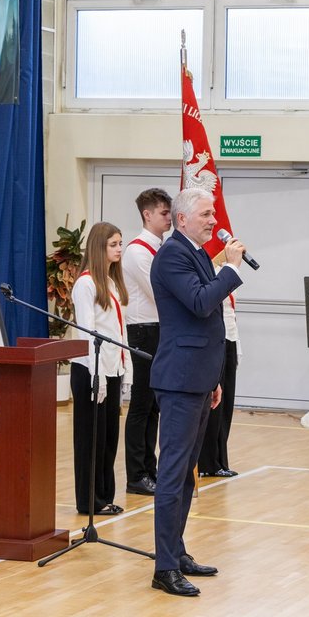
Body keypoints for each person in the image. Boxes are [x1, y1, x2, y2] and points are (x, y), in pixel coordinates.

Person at [148, 187, 245, 596]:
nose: (213, 220)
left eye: (213, 213)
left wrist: (214, 379)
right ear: (183, 219)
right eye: (206, 214)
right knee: (172, 475)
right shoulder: (173, 255)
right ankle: (164, 567)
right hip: (178, 380)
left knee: (187, 475)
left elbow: (207, 321)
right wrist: (231, 268)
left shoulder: (198, 253)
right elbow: (201, 303)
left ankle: (177, 551)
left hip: (199, 379)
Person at [69, 222, 133, 517]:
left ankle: (105, 496)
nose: (119, 249)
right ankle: (89, 501)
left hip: (111, 368)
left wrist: (125, 368)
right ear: (99, 247)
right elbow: (87, 331)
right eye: (114, 244)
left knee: (108, 438)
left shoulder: (110, 282)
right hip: (91, 371)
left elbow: (119, 330)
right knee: (90, 439)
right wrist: (98, 376)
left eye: (120, 243)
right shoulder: (86, 284)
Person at [123, 188, 172, 497]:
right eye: (164, 213)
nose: (169, 218)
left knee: (154, 404)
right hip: (143, 330)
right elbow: (159, 293)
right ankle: (136, 474)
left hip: (159, 329)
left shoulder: (160, 248)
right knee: (141, 404)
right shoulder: (138, 251)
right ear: (147, 214)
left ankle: (150, 469)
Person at [198, 281, 240, 479]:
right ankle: (207, 461)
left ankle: (220, 460)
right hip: (216, 339)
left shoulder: (225, 274)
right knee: (214, 403)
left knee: (226, 403)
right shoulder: (211, 275)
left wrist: (237, 346)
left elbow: (231, 313)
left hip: (230, 337)